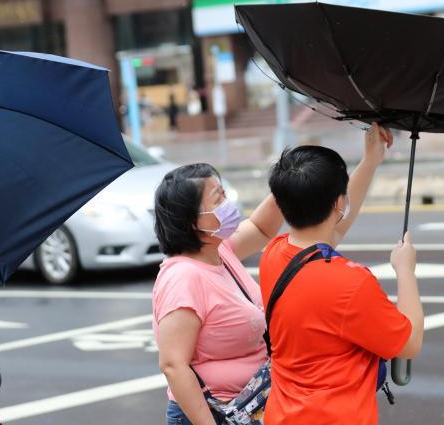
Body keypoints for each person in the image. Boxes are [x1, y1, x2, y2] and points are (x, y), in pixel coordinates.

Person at [259, 123, 424, 425]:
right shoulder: (351, 283)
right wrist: (405, 272)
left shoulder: (274, 254)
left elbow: (329, 232)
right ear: (338, 202)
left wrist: (371, 160)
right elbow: (409, 342)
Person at [152, 163, 284, 425]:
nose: (227, 204)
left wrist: (287, 178)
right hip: (212, 415)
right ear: (192, 221)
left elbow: (261, 228)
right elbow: (173, 365)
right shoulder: (183, 278)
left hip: (246, 407)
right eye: (218, 198)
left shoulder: (219, 252)